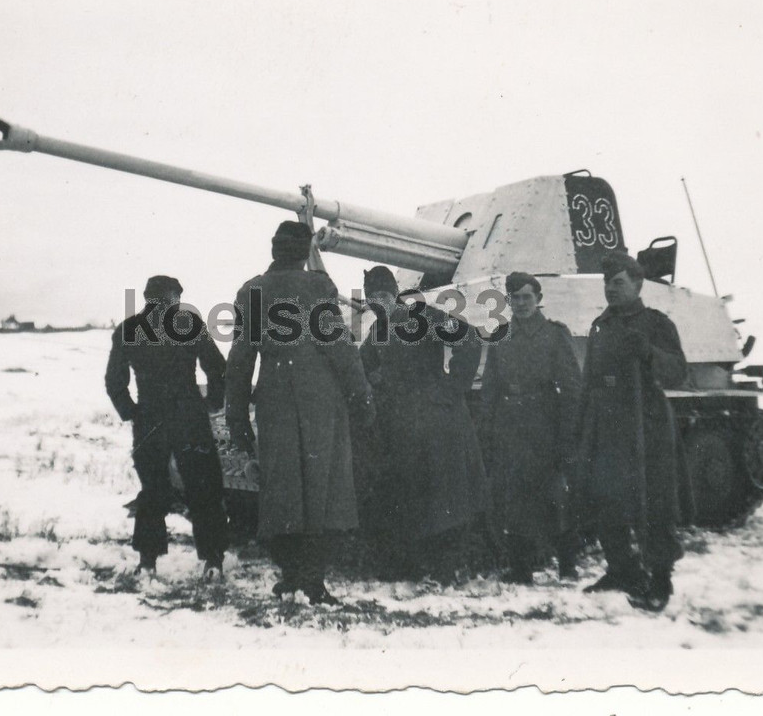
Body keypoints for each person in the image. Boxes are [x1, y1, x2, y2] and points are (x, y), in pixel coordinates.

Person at [226, 221, 374, 605]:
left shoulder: (251, 291)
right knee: (321, 489)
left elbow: (240, 359)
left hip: (274, 397)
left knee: (283, 489)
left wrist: (237, 417)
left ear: (275, 250)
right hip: (320, 399)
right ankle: (313, 581)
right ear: (304, 251)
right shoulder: (317, 287)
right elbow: (340, 348)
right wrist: (362, 396)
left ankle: (290, 576)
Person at [357, 266, 489, 582]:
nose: (378, 304)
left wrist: (452, 387)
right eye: (371, 299)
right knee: (410, 495)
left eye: (382, 296)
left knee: (443, 494)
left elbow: (468, 338)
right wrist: (374, 381)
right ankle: (414, 565)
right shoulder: (378, 330)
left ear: (393, 294)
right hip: (401, 424)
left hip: (434, 420)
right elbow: (362, 365)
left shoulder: (423, 317)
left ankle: (448, 566)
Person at [575, 252, 689, 611]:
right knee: (608, 501)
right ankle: (621, 568)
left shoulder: (655, 323)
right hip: (608, 424)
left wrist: (648, 352)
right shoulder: (600, 325)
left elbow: (677, 372)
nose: (611, 288)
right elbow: (591, 379)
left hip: (647, 425)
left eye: (619, 282)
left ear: (638, 285)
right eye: (607, 282)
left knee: (653, 501)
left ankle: (659, 579)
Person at [104, 275, 229, 581]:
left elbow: (114, 381)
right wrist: (213, 403)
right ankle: (212, 561)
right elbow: (217, 368)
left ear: (148, 297)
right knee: (204, 489)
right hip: (189, 418)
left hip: (150, 420)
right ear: (173, 297)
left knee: (153, 490)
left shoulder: (129, 329)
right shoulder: (188, 324)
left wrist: (131, 411)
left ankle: (147, 562)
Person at [479, 271, 582, 584]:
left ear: (539, 299)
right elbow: (491, 386)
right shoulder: (501, 335)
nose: (521, 303)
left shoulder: (554, 334)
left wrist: (567, 433)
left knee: (555, 494)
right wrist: (489, 425)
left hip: (544, 422)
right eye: (515, 298)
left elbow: (572, 387)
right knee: (514, 496)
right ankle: (521, 568)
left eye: (527, 297)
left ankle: (567, 564)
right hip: (510, 423)